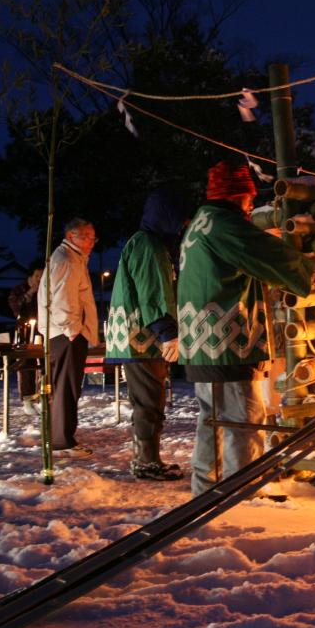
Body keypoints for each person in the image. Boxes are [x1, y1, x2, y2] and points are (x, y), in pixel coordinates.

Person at [179, 160, 315, 496]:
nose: (251, 206)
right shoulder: (224, 224)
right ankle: (243, 488)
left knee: (213, 418)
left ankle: (207, 487)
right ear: (237, 196)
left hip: (203, 341)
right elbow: (264, 254)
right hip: (225, 339)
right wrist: (311, 271)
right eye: (249, 199)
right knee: (243, 417)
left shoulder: (200, 225)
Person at [105, 187, 189, 481]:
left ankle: (146, 457)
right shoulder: (148, 245)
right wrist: (167, 331)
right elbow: (151, 293)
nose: (183, 225)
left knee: (148, 399)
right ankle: (145, 462)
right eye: (180, 218)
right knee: (148, 400)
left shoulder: (149, 244)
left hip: (139, 337)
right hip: (141, 337)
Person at [37, 217, 100, 457]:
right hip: (66, 334)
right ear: (71, 235)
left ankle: (59, 437)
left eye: (93, 237)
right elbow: (63, 299)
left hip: (63, 332)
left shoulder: (71, 258)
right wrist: (74, 330)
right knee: (66, 386)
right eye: (86, 236)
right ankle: (62, 440)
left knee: (65, 386)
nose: (91, 242)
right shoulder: (67, 259)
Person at [8, 261, 44, 411]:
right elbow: (15, 307)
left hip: (42, 331)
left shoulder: (44, 290)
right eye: (37, 275)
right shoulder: (19, 289)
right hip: (24, 332)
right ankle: (28, 398)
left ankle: (44, 394)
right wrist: (30, 293)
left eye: (42, 276)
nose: (39, 279)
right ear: (31, 275)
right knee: (26, 363)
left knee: (45, 363)